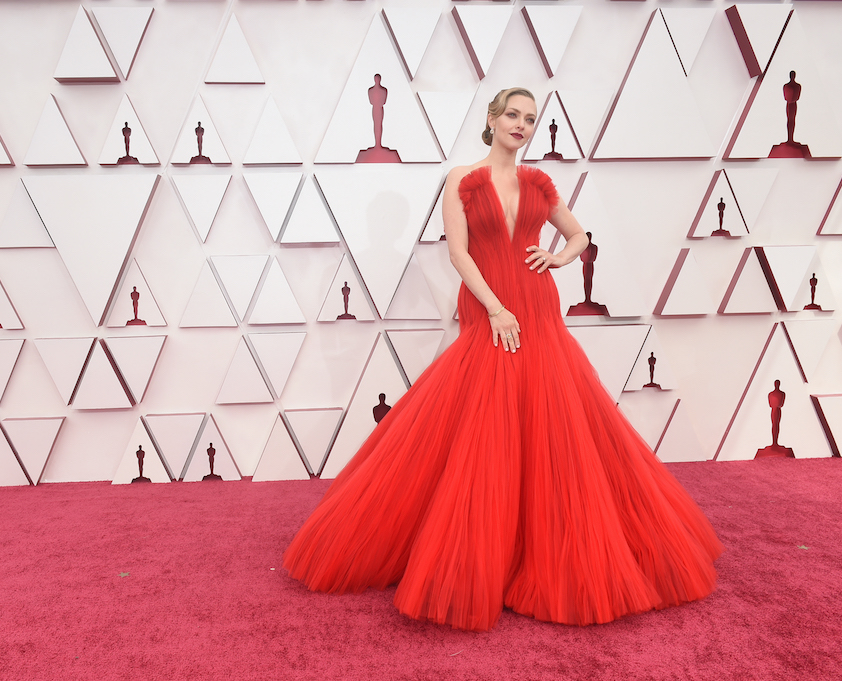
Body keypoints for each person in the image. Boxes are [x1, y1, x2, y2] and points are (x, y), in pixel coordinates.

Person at [284, 88, 723, 631]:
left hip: (538, 310)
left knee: (551, 426)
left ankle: (540, 551)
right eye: (512, 115)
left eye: (531, 119)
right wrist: (494, 309)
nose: (522, 124)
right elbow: (458, 253)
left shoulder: (538, 183)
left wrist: (559, 256)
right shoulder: (463, 180)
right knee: (484, 425)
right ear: (491, 121)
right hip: (491, 310)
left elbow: (581, 234)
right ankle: (482, 554)